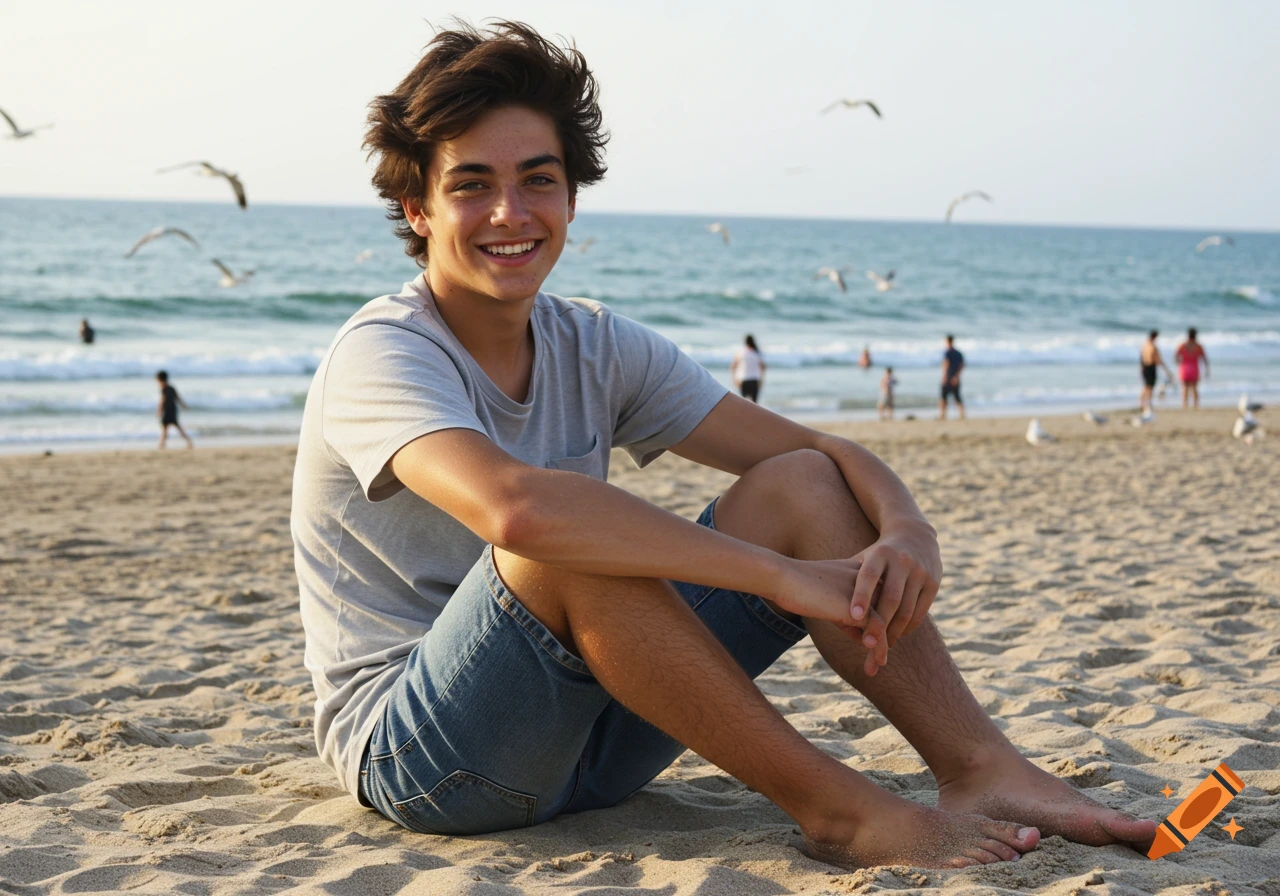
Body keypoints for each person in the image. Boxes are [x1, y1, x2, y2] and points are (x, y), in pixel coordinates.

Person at [290, 21, 1154, 871]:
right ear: (419, 209)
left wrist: (906, 527)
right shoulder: (384, 351)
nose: (510, 213)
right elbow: (517, 511)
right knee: (559, 538)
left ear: (571, 198)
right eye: (472, 185)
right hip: (429, 758)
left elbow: (821, 448)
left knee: (802, 484)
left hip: (594, 746)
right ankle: (841, 813)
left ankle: (980, 768)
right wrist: (781, 579)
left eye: (538, 180)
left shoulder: (592, 342)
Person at [155, 370, 192, 449]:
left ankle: (162, 444)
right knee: (176, 427)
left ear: (160, 380)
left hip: (167, 411)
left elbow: (163, 400)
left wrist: (159, 410)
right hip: (173, 410)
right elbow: (178, 398)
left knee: (165, 428)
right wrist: (183, 406)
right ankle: (188, 440)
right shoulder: (171, 388)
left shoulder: (164, 389)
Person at [1174, 327, 1209, 409]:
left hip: (1184, 368)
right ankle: (1195, 405)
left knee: (1185, 388)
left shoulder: (1182, 345)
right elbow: (1204, 359)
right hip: (1194, 369)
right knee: (1194, 388)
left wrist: (1178, 362)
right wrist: (1207, 369)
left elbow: (1176, 357)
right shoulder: (1199, 346)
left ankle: (1184, 405)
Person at [1139, 330, 1173, 413]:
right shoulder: (1153, 347)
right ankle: (1148, 404)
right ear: (1155, 337)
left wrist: (1141, 367)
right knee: (1150, 387)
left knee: (1146, 386)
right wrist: (1166, 369)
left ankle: (1141, 403)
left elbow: (1142, 358)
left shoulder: (1144, 345)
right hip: (1151, 367)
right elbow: (1158, 360)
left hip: (1144, 367)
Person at [730, 334, 765, 403]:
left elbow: (733, 366)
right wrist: (761, 379)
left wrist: (734, 378)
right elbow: (763, 367)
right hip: (755, 379)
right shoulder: (757, 352)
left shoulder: (740, 352)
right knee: (755, 403)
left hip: (744, 379)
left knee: (744, 403)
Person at [939, 335, 965, 420]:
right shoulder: (958, 353)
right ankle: (962, 414)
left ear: (948, 342)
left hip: (948, 377)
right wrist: (957, 376)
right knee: (957, 397)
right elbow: (962, 365)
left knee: (943, 397)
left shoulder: (947, 352)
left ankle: (943, 415)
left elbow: (946, 364)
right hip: (955, 378)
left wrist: (944, 376)